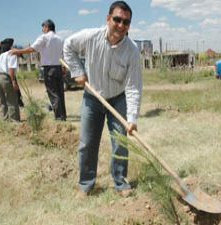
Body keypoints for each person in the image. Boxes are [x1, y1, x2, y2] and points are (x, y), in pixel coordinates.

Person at [63, 1, 142, 197]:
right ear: (108, 19)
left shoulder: (132, 51)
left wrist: (131, 118)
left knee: (120, 143)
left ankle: (121, 183)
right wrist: (77, 71)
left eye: (126, 22)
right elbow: (68, 46)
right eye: (117, 19)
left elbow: (133, 87)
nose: (121, 25)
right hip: (92, 97)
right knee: (88, 143)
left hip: (118, 98)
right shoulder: (90, 37)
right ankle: (86, 185)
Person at [10, 19, 67, 121]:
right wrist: (64, 67)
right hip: (58, 67)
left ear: (47, 27)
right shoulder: (61, 39)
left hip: (49, 69)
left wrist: (18, 51)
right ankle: (63, 115)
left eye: (43, 28)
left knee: (53, 93)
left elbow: (32, 48)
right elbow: (64, 54)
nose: (42, 30)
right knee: (60, 92)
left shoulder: (44, 37)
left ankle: (59, 117)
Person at [0, 36, 24, 107]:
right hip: (3, 72)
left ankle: (19, 102)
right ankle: (11, 103)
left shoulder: (4, 45)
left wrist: (0, 43)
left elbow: (11, 39)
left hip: (9, 70)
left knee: (14, 86)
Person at [0, 40, 20, 121]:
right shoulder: (12, 53)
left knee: (2, 100)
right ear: (10, 46)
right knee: (11, 99)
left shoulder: (1, 55)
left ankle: (4, 119)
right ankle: (14, 120)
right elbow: (11, 69)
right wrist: (14, 82)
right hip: (5, 78)